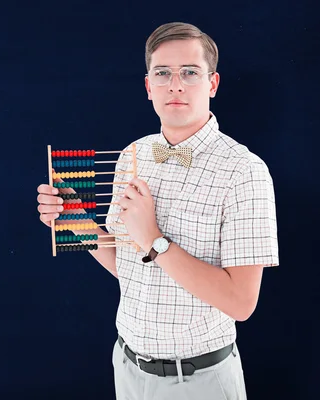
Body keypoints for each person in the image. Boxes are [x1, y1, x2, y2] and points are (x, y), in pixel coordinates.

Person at [36, 22, 279, 400]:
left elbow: (241, 303)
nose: (175, 84)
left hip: (199, 380)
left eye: (190, 73)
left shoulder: (245, 171)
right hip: (128, 367)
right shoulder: (131, 155)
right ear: (149, 86)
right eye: (163, 73)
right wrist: (72, 219)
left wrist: (154, 239)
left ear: (212, 84)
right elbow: (128, 266)